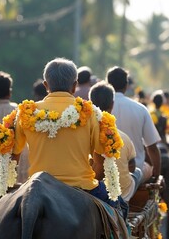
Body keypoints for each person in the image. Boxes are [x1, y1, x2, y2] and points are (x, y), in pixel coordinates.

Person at [11, 58, 126, 212]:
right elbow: (100, 162)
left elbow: (14, 156)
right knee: (121, 206)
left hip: (37, 188)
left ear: (46, 85)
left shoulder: (26, 112)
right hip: (82, 188)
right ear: (74, 85)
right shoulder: (89, 112)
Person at [107, 67, 161, 182]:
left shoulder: (96, 108)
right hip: (136, 172)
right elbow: (152, 147)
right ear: (126, 85)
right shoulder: (140, 109)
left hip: (105, 171)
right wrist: (157, 172)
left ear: (107, 84)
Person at [89, 81, 140, 202]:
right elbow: (131, 166)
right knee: (138, 172)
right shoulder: (123, 137)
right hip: (120, 193)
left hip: (91, 191)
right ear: (112, 105)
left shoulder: (84, 134)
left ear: (90, 104)